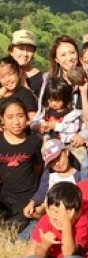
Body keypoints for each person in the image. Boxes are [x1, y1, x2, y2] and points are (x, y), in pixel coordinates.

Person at [0, 95, 42, 223]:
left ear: (27, 117)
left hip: (26, 197)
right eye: (10, 117)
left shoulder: (34, 141)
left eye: (20, 116)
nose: (16, 122)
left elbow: (38, 167)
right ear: (2, 119)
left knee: (12, 226)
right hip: (4, 194)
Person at [9, 29, 42, 97]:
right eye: (21, 49)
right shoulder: (2, 73)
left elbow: (41, 103)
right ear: (11, 51)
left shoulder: (41, 79)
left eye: (30, 50)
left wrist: (24, 84)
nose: (25, 54)